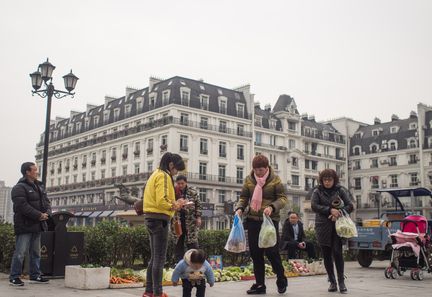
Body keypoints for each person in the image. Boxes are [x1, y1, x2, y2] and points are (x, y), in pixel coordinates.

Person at [235, 154, 288, 295]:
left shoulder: (275, 180)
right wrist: (240, 208)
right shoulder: (249, 179)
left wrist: (272, 207)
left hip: (270, 221)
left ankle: (281, 278)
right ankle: (260, 285)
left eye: (261, 169)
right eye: (256, 169)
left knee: (272, 252)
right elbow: (244, 197)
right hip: (253, 220)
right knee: (256, 254)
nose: (258, 172)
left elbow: (282, 199)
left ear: (267, 168)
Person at [143, 152, 187, 297]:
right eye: (176, 170)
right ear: (171, 165)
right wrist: (176, 205)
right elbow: (162, 201)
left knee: (154, 258)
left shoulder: (155, 173)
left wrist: (173, 204)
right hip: (159, 219)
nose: (176, 173)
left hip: (150, 218)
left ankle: (149, 291)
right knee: (160, 259)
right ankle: (157, 293)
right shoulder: (164, 176)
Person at [311, 169, 354, 294]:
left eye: (330, 180)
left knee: (337, 252)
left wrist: (338, 212)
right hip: (322, 226)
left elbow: (350, 205)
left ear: (334, 180)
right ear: (322, 180)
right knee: (326, 254)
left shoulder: (340, 190)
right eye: (325, 180)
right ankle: (332, 281)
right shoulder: (317, 191)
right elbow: (314, 206)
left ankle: (341, 281)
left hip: (338, 226)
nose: (327, 182)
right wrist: (330, 210)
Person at [9, 162, 51, 286]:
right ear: (27, 172)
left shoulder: (40, 186)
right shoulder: (19, 187)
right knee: (20, 252)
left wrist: (47, 213)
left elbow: (46, 202)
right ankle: (14, 276)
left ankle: (35, 275)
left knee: (36, 252)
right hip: (25, 225)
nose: (37, 172)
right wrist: (39, 215)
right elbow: (22, 206)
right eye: (35, 170)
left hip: (38, 225)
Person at [173, 175, 202, 261]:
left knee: (192, 243)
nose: (180, 185)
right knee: (178, 243)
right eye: (178, 184)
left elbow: (198, 205)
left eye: (182, 183)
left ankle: (194, 262)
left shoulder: (193, 191)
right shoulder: (174, 192)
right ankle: (179, 263)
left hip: (191, 222)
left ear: (186, 183)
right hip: (177, 221)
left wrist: (198, 217)